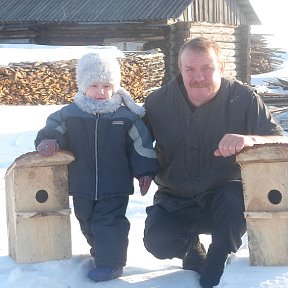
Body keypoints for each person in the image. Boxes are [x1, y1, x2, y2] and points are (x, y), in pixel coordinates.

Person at [142, 37, 288, 288]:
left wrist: (248, 139)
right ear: (181, 69)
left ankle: (219, 255)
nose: (198, 77)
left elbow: (279, 142)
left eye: (207, 68)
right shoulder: (157, 103)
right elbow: (137, 144)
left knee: (234, 198)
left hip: (225, 201)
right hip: (176, 198)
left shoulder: (244, 99)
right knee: (157, 240)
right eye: (190, 69)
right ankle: (190, 248)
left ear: (221, 67)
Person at [35, 52, 158, 282]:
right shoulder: (70, 115)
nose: (101, 91)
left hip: (115, 185)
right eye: (94, 85)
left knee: (109, 223)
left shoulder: (125, 117)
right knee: (86, 219)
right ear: (83, 86)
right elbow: (54, 129)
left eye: (107, 86)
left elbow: (141, 145)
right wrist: (49, 141)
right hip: (81, 184)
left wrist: (145, 171)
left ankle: (111, 263)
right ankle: (101, 250)